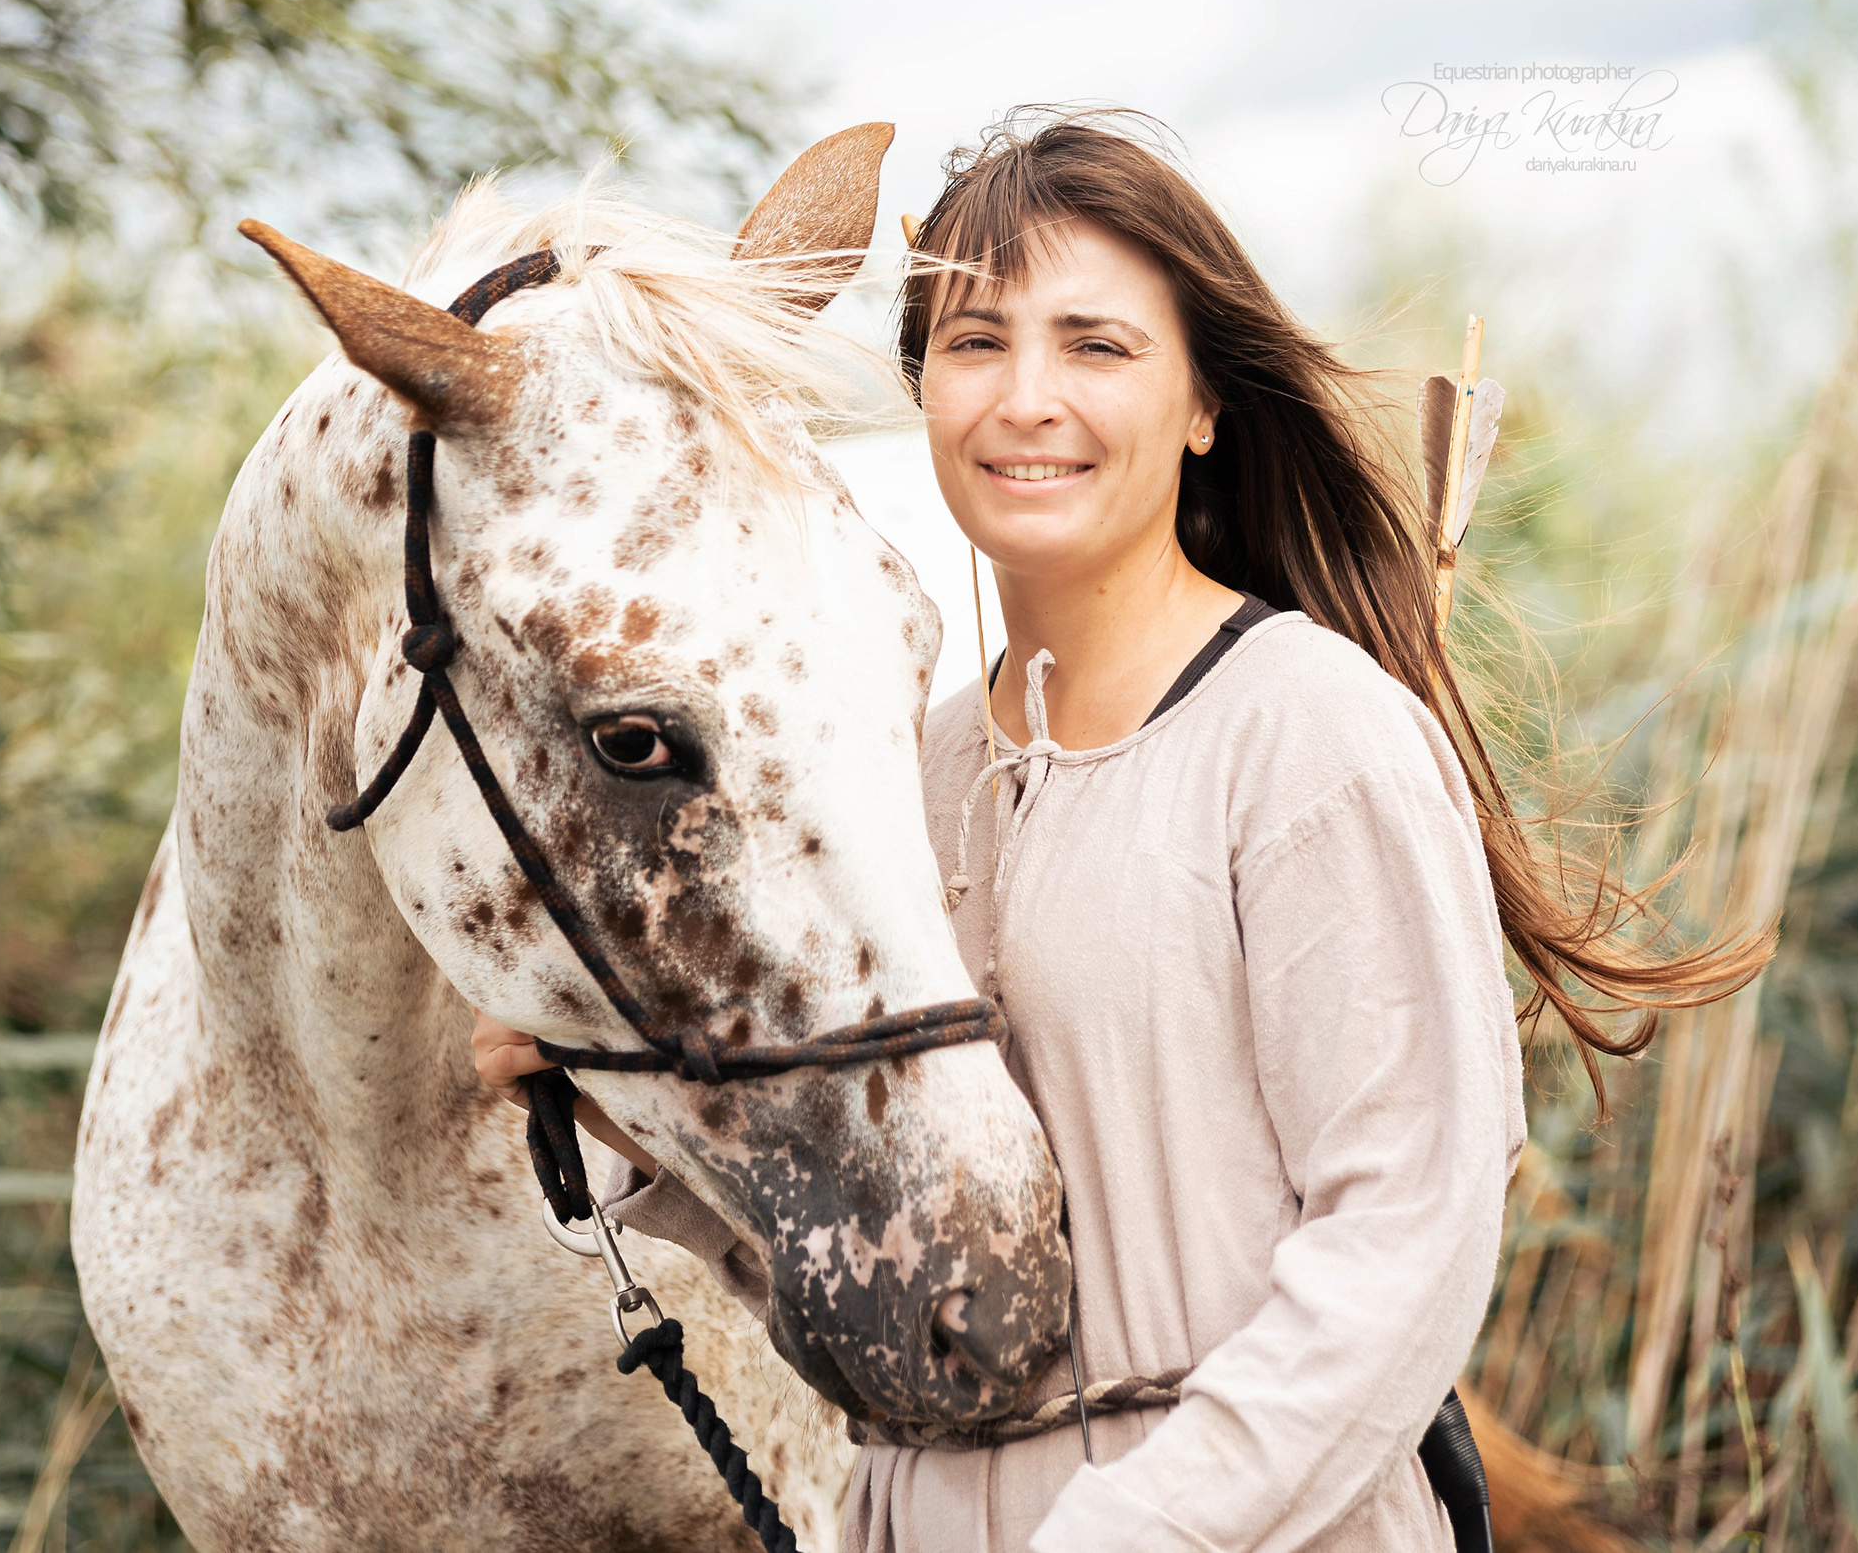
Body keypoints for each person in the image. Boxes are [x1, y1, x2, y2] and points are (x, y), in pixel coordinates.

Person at [473, 110, 1771, 1552]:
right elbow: (925, 1314)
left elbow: (1410, 1231)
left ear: (1205, 403)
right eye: (975, 343)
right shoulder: (923, 764)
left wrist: (1141, 1532)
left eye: (1095, 345)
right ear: (926, 393)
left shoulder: (1306, 732)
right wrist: (636, 1139)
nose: (1028, 396)